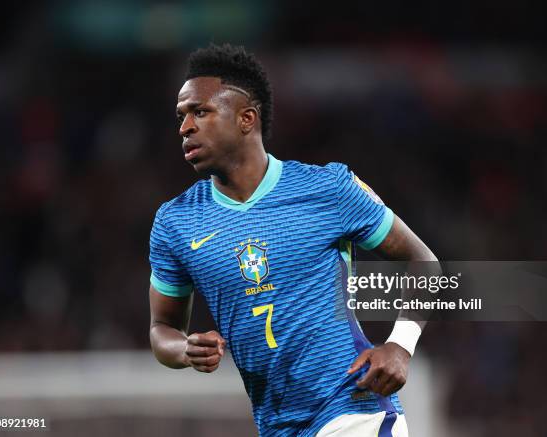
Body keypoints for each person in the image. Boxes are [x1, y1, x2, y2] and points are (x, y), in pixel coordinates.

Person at [148, 43, 437, 437]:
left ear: (246, 119)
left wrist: (401, 345)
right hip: (279, 425)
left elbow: (422, 261)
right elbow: (161, 328)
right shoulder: (176, 223)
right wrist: (185, 349)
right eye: (181, 116)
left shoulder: (328, 188)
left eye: (200, 112)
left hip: (354, 407)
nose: (185, 128)